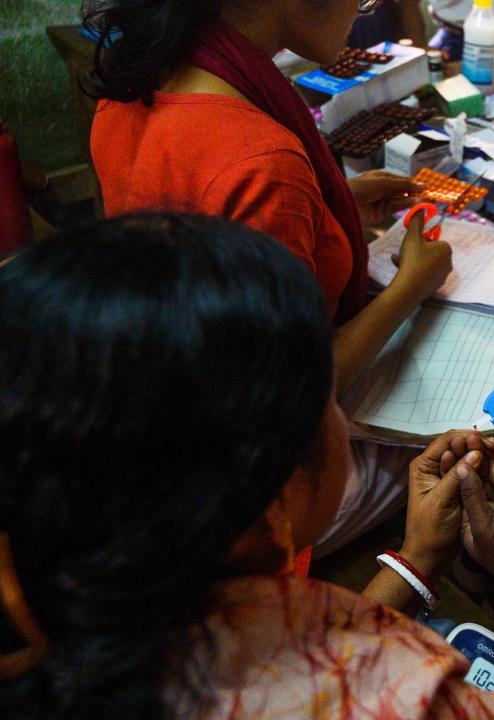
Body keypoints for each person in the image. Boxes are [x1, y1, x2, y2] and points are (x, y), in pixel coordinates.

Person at [0, 212, 494, 719]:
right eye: (327, 396)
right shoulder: (404, 693)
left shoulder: (73, 604)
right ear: (278, 496)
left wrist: (416, 563)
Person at [83, 0, 453, 556]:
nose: (364, 8)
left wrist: (326, 207)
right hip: (239, 497)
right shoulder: (262, 160)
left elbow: (192, 221)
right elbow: (295, 397)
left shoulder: (131, 83)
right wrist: (409, 289)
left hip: (159, 403)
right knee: (452, 450)